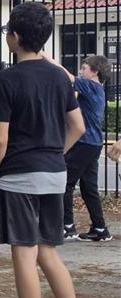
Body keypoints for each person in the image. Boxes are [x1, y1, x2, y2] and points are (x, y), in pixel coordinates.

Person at [0, 2, 97, 298]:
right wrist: (55, 154)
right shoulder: (58, 76)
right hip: (54, 173)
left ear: (16, 37)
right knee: (48, 252)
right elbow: (78, 127)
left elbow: (0, 139)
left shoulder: (6, 79)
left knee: (23, 252)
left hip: (20, 176)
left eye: (8, 31)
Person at [42, 53, 113, 242]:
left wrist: (44, 56)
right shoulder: (96, 89)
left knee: (65, 183)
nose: (81, 71)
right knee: (89, 187)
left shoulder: (91, 86)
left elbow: (66, 76)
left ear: (95, 72)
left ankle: (67, 227)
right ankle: (99, 228)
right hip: (93, 143)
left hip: (83, 143)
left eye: (85, 67)